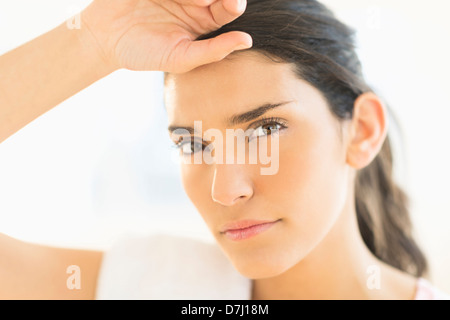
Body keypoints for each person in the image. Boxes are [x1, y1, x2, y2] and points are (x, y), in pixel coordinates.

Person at [0, 0, 448, 300]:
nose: (225, 189)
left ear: (363, 131)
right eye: (192, 143)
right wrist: (91, 41)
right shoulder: (165, 284)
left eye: (264, 129)